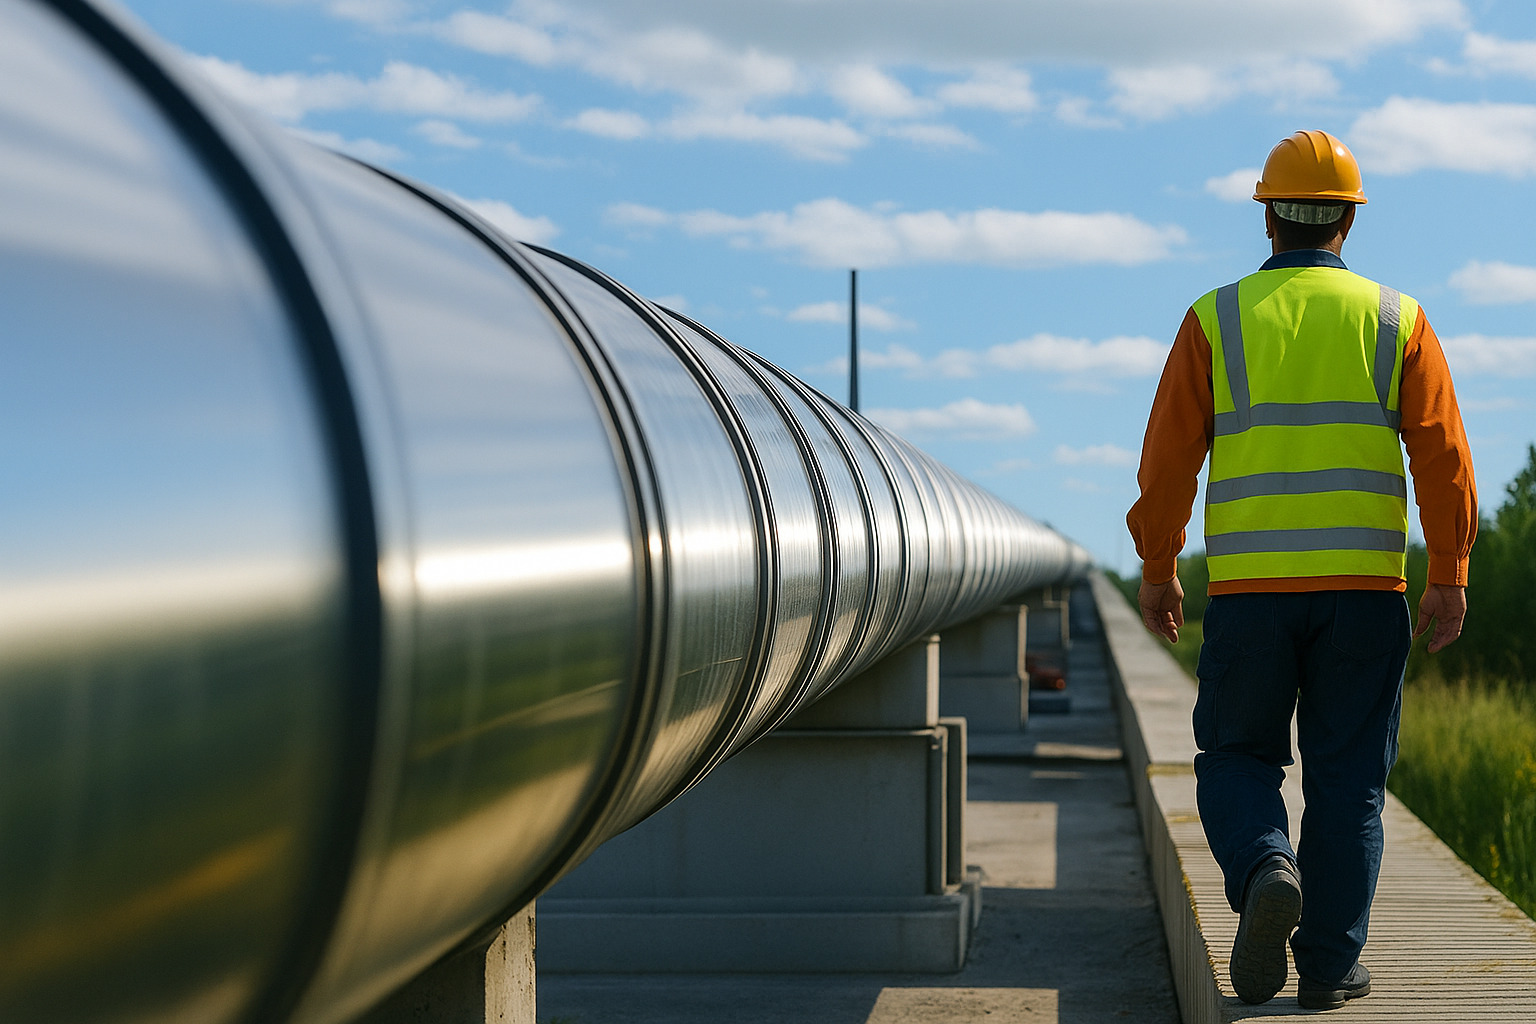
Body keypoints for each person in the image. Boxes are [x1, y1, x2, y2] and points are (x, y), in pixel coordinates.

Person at [1126, 129, 1477, 1011]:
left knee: (1237, 756)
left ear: (1268, 219)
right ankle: (1327, 966)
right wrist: (1450, 571)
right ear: (1349, 221)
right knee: (1349, 781)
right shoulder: (1397, 319)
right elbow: (1443, 458)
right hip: (1365, 597)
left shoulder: (1215, 319)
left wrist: (1160, 564)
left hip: (1250, 598)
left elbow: (1168, 463)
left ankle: (1263, 866)